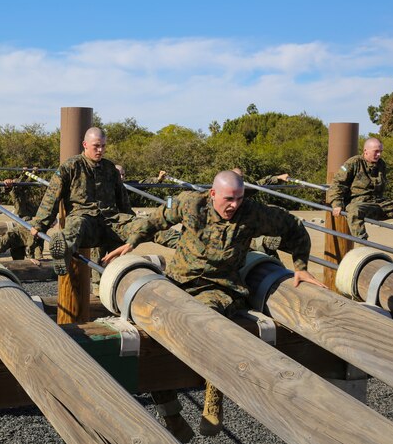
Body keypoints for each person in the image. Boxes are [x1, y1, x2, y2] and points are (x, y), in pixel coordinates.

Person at [103, 170, 325, 440]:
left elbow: (294, 227)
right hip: (179, 283)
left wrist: (301, 267)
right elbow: (155, 220)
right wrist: (132, 242)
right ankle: (171, 415)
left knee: (208, 322)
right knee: (149, 330)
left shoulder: (252, 213)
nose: (234, 205)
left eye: (239, 198)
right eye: (228, 199)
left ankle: (213, 395)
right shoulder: (190, 204)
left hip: (219, 287)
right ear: (212, 194)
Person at [29, 127, 136, 275]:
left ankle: (178, 243)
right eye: (96, 146)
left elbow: (122, 199)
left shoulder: (110, 168)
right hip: (84, 219)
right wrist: (40, 224)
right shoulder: (71, 166)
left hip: (110, 220)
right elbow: (52, 196)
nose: (100, 150)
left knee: (142, 225)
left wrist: (131, 221)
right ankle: (62, 253)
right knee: (74, 228)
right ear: (85, 144)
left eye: (103, 146)